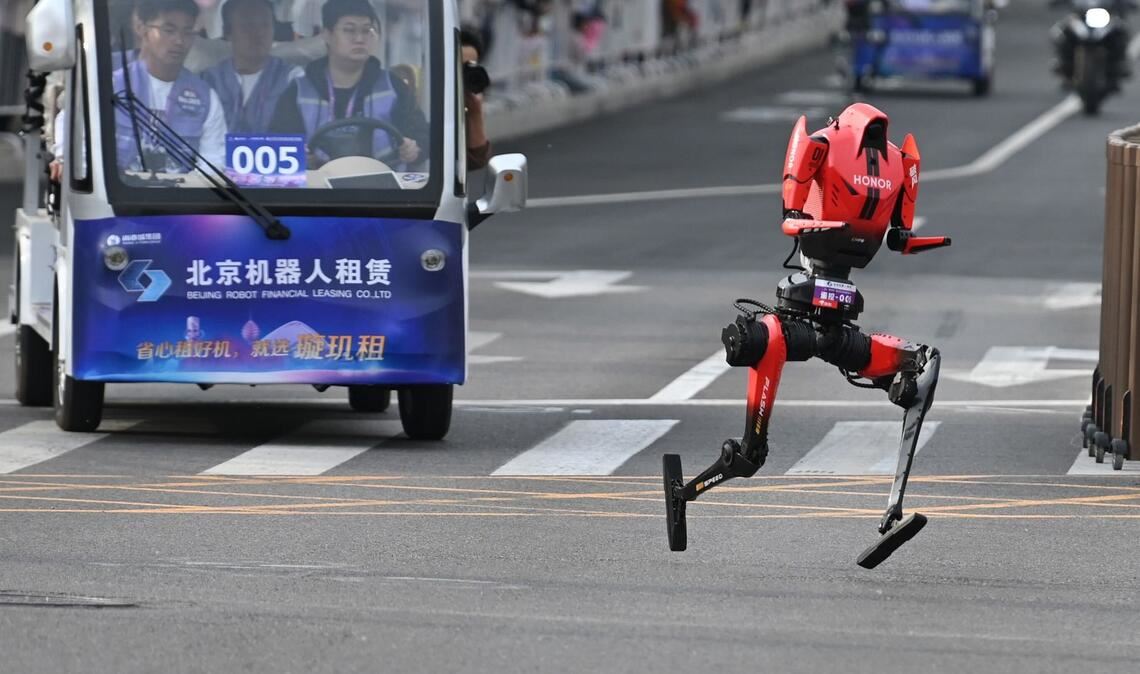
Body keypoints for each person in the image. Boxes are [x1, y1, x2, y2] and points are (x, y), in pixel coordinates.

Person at [270, 0, 428, 167]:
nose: (359, 38)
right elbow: (279, 147)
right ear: (327, 35)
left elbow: (421, 137)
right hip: (316, 188)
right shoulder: (298, 91)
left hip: (382, 187)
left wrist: (414, 149)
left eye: (366, 30)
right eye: (349, 30)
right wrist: (298, 157)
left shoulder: (393, 87)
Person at [112, 0, 228, 171]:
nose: (179, 41)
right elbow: (83, 152)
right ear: (141, 28)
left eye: (187, 32)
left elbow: (214, 162)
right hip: (120, 194)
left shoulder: (206, 98)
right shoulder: (112, 86)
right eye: (169, 30)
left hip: (180, 196)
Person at [201, 0, 302, 134]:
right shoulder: (209, 80)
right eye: (248, 26)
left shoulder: (294, 79)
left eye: (265, 25)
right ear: (228, 33)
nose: (258, 33)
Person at [460, 25, 492, 170]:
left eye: (470, 67)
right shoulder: (424, 93)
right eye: (460, 67)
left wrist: (475, 113)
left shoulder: (468, 101)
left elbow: (476, 160)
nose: (465, 74)